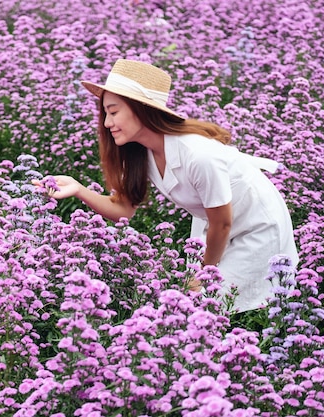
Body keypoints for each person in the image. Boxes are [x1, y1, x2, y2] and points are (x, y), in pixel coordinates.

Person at [37, 59, 299, 312]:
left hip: (255, 226)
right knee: (199, 307)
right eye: (106, 113)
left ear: (141, 109)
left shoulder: (198, 155)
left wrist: (205, 274)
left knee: (224, 303)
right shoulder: (142, 152)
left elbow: (223, 223)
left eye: (114, 112)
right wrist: (79, 189)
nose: (107, 123)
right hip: (214, 225)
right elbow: (124, 210)